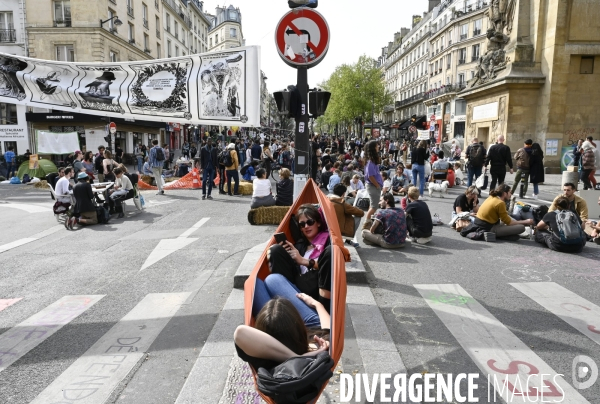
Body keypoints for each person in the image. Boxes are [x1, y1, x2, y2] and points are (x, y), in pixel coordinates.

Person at [234, 297, 330, 374]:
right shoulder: (317, 351)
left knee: (270, 280)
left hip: (304, 330)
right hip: (310, 327)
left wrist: (296, 357)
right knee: (273, 280)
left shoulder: (259, 358)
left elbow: (240, 332)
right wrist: (317, 304)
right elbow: (328, 331)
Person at [268, 204, 332, 310]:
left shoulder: (327, 243)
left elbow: (329, 266)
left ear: (319, 223)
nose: (306, 226)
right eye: (302, 224)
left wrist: (304, 261)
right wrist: (284, 256)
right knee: (275, 250)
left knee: (330, 253)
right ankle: (282, 304)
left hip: (316, 291)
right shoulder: (299, 245)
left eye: (310, 222)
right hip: (297, 289)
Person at [363, 140, 383, 229]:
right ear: (373, 148)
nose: (378, 147)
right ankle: (366, 223)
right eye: (377, 146)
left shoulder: (371, 161)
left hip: (374, 185)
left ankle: (368, 221)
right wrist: (377, 185)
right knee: (374, 207)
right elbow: (370, 176)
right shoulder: (371, 162)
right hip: (373, 186)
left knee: (372, 206)